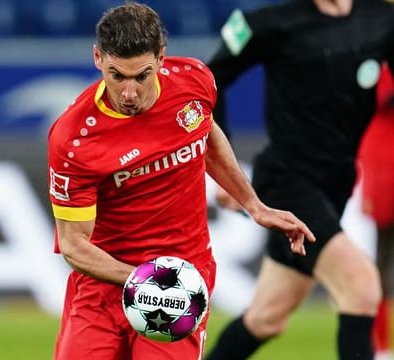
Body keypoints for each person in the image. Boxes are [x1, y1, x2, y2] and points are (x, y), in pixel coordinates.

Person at [47, 2, 315, 360]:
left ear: (161, 57)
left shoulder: (194, 81)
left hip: (180, 279)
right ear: (98, 58)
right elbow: (74, 245)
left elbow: (206, 133)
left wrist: (254, 205)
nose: (129, 93)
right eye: (117, 75)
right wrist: (144, 280)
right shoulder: (74, 139)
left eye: (141, 75)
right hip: (102, 287)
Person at [204, 0, 394, 359]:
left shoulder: (382, 19)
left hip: (337, 184)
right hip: (288, 182)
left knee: (267, 317)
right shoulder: (270, 23)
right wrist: (223, 172)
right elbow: (209, 81)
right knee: (361, 285)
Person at [358, 63, 394, 360]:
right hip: (384, 175)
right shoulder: (378, 64)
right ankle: (381, 347)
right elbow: (380, 95)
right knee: (380, 266)